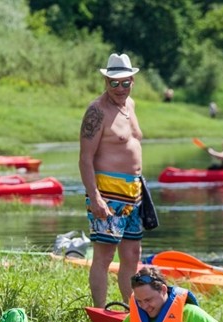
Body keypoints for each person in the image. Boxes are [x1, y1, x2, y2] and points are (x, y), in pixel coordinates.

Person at [79, 53, 144, 308]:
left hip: (134, 192)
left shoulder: (131, 105)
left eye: (124, 83)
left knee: (132, 254)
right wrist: (94, 197)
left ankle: (133, 311)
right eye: (113, 83)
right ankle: (100, 311)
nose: (119, 88)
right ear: (105, 81)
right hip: (108, 192)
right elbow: (85, 159)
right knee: (104, 255)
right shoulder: (97, 111)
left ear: (132, 81)